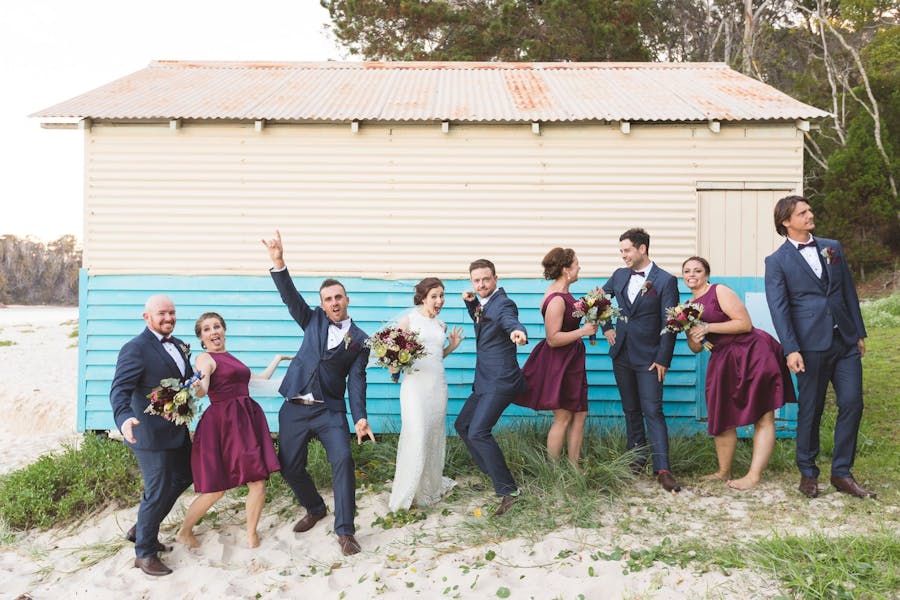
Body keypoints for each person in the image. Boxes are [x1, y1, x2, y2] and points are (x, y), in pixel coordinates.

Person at [261, 230, 375, 556]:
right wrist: (279, 261)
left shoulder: (361, 340)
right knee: (289, 466)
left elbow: (356, 381)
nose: (334, 303)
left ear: (347, 299)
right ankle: (314, 507)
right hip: (295, 406)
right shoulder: (311, 320)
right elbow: (289, 295)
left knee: (343, 459)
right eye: (328, 299)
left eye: (338, 297)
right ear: (322, 304)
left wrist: (361, 417)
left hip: (330, 411)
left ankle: (345, 531)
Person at [764, 195, 873, 499]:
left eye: (809, 209)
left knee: (852, 403)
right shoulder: (776, 261)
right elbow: (779, 308)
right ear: (787, 221)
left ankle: (841, 473)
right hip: (809, 345)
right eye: (803, 212)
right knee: (811, 410)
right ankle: (808, 473)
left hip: (844, 341)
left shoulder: (831, 247)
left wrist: (858, 332)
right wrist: (791, 348)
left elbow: (847, 290)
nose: (810, 215)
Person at [681, 257, 795, 490]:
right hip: (722, 359)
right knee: (721, 413)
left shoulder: (719, 291)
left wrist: (709, 327)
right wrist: (692, 335)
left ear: (706, 273)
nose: (691, 274)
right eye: (686, 271)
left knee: (763, 413)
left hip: (752, 352)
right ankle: (723, 472)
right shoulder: (686, 308)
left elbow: (744, 323)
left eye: (697, 270)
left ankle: (753, 476)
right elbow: (695, 348)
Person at [176, 312, 288, 548]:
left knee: (257, 481)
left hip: (246, 422)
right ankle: (184, 531)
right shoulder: (204, 358)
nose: (213, 331)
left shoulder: (231, 358)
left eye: (217, 326)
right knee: (216, 489)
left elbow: (259, 381)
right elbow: (203, 387)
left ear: (224, 330)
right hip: (223, 425)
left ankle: (251, 535)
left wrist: (277, 359)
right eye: (207, 329)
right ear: (202, 338)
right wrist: (197, 387)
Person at [109, 295, 194, 576]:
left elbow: (185, 380)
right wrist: (123, 419)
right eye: (162, 314)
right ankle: (144, 553)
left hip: (176, 429)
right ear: (147, 317)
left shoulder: (179, 346)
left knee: (185, 476)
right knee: (156, 490)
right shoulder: (135, 349)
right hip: (147, 432)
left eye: (172, 313)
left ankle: (142, 528)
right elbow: (119, 390)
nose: (168, 318)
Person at [601, 228, 681, 492]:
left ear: (642, 249)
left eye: (626, 250)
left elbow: (670, 323)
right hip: (622, 354)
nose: (623, 255)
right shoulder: (619, 275)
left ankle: (663, 469)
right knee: (631, 410)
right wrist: (607, 328)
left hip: (650, 358)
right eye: (621, 251)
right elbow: (598, 302)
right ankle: (636, 459)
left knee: (653, 411)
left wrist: (663, 359)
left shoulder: (665, 281)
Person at [456, 258, 529, 516]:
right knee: (462, 426)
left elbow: (508, 320)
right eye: (476, 281)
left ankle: (509, 491)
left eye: (486, 279)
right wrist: (471, 302)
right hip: (484, 380)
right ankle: (494, 474)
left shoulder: (503, 304)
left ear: (496, 279)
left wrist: (517, 332)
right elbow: (483, 320)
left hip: (500, 380)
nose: (481, 284)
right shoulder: (484, 303)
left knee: (478, 431)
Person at [514, 248, 597, 466]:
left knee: (580, 414)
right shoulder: (557, 299)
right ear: (566, 269)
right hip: (560, 363)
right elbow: (552, 338)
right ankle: (552, 469)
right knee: (563, 417)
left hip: (572, 361)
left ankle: (574, 466)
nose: (580, 267)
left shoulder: (567, 295)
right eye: (577, 263)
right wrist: (583, 331)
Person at [388, 278, 464, 512]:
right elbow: (393, 357)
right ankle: (406, 493)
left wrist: (452, 346)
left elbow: (436, 356)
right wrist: (395, 366)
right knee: (417, 434)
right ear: (423, 298)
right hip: (415, 387)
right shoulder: (408, 321)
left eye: (442, 295)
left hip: (437, 386)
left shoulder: (441, 326)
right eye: (434, 296)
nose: (439, 300)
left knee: (432, 435)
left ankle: (427, 490)